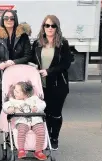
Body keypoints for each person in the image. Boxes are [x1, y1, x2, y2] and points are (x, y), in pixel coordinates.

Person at [31, 15, 72, 150]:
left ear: (57, 28)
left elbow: (66, 64)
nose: (49, 28)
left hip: (58, 84)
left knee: (55, 113)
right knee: (45, 113)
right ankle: (46, 136)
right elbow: (32, 59)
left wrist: (49, 71)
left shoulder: (63, 43)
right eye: (47, 25)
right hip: (41, 85)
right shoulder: (37, 43)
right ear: (43, 27)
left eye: (53, 26)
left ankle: (54, 138)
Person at [0, 10, 32, 104]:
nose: (9, 20)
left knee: (19, 101)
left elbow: (28, 56)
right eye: (6, 18)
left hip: (20, 74)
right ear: (2, 20)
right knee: (4, 101)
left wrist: (14, 62)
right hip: (2, 75)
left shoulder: (23, 36)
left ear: (15, 19)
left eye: (12, 18)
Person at [3, 81, 47, 160]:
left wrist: (36, 108)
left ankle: (39, 151)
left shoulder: (34, 99)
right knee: (22, 131)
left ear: (26, 94)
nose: (14, 92)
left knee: (41, 131)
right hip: (22, 121)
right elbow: (6, 106)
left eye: (17, 92)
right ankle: (21, 150)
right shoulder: (13, 101)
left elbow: (42, 104)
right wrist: (9, 109)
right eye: (14, 90)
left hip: (35, 120)